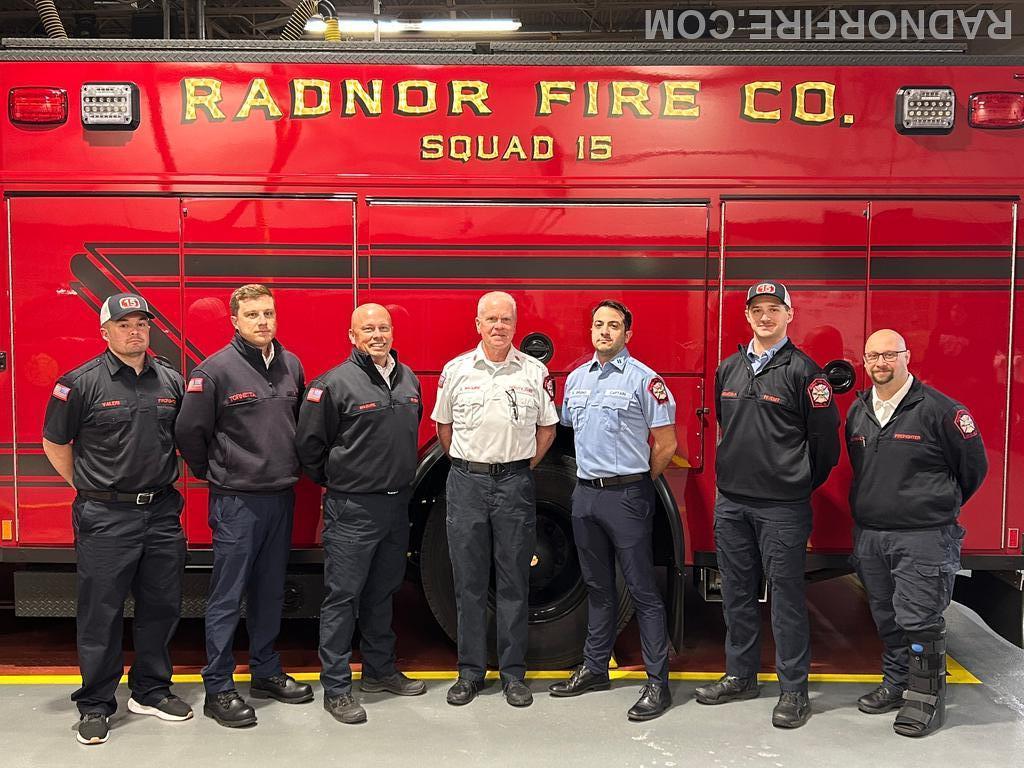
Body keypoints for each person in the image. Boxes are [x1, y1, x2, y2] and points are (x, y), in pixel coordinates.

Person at [42, 293, 192, 745]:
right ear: (104, 331)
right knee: (100, 613)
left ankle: (150, 690)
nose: (134, 331)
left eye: (141, 323)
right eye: (124, 324)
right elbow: (55, 442)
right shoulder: (79, 383)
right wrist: (88, 488)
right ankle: (95, 703)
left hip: (163, 512)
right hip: (105, 515)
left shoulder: (171, 379)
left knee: (162, 606)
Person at [694, 281, 840, 729]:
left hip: (782, 508)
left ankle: (793, 690)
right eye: (756, 309)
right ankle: (741, 676)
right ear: (747, 316)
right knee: (736, 593)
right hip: (733, 504)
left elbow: (824, 444)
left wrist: (794, 482)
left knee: (787, 597)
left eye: (774, 309)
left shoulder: (806, 373)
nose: (764, 316)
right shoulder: (729, 368)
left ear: (789, 315)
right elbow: (727, 426)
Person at [175, 284, 312, 728]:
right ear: (234, 320)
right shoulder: (214, 371)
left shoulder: (291, 364)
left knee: (270, 591)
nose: (262, 322)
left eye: (268, 313)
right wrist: (215, 471)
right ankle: (218, 686)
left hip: (280, 498)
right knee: (227, 596)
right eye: (252, 314)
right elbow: (189, 433)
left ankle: (266, 671)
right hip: (237, 502)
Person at [847, 329, 987, 737]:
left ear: (907, 357)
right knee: (887, 616)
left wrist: (931, 503)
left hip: (924, 536)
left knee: (920, 619)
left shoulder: (941, 410)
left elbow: (973, 470)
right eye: (872, 356)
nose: (880, 363)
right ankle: (896, 684)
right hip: (873, 535)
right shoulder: (859, 410)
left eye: (889, 355)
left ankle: (926, 700)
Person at [295, 303, 426, 725]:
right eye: (367, 328)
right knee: (343, 597)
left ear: (393, 332)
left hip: (395, 505)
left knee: (383, 590)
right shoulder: (332, 385)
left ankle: (379, 670)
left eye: (383, 327)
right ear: (352, 336)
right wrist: (342, 480)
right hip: (352, 507)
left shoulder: (407, 379)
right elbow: (309, 449)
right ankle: (336, 687)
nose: (377, 334)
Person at [549, 300, 677, 721]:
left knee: (641, 590)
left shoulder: (646, 380)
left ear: (628, 334)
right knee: (597, 588)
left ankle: (658, 683)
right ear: (591, 331)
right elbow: (569, 429)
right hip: (585, 495)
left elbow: (666, 444)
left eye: (614, 326)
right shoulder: (577, 379)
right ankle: (595, 667)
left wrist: (640, 482)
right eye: (598, 325)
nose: (604, 332)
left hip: (627, 496)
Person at [432, 291, 559, 708]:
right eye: (491, 319)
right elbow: (444, 430)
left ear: (515, 324)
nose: (499, 326)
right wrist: (473, 466)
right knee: (468, 582)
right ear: (478, 324)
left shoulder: (533, 372)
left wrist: (516, 467)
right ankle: (469, 672)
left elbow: (547, 431)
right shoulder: (455, 370)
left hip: (514, 485)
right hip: (466, 482)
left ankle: (512, 674)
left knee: (513, 582)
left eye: (506, 319)